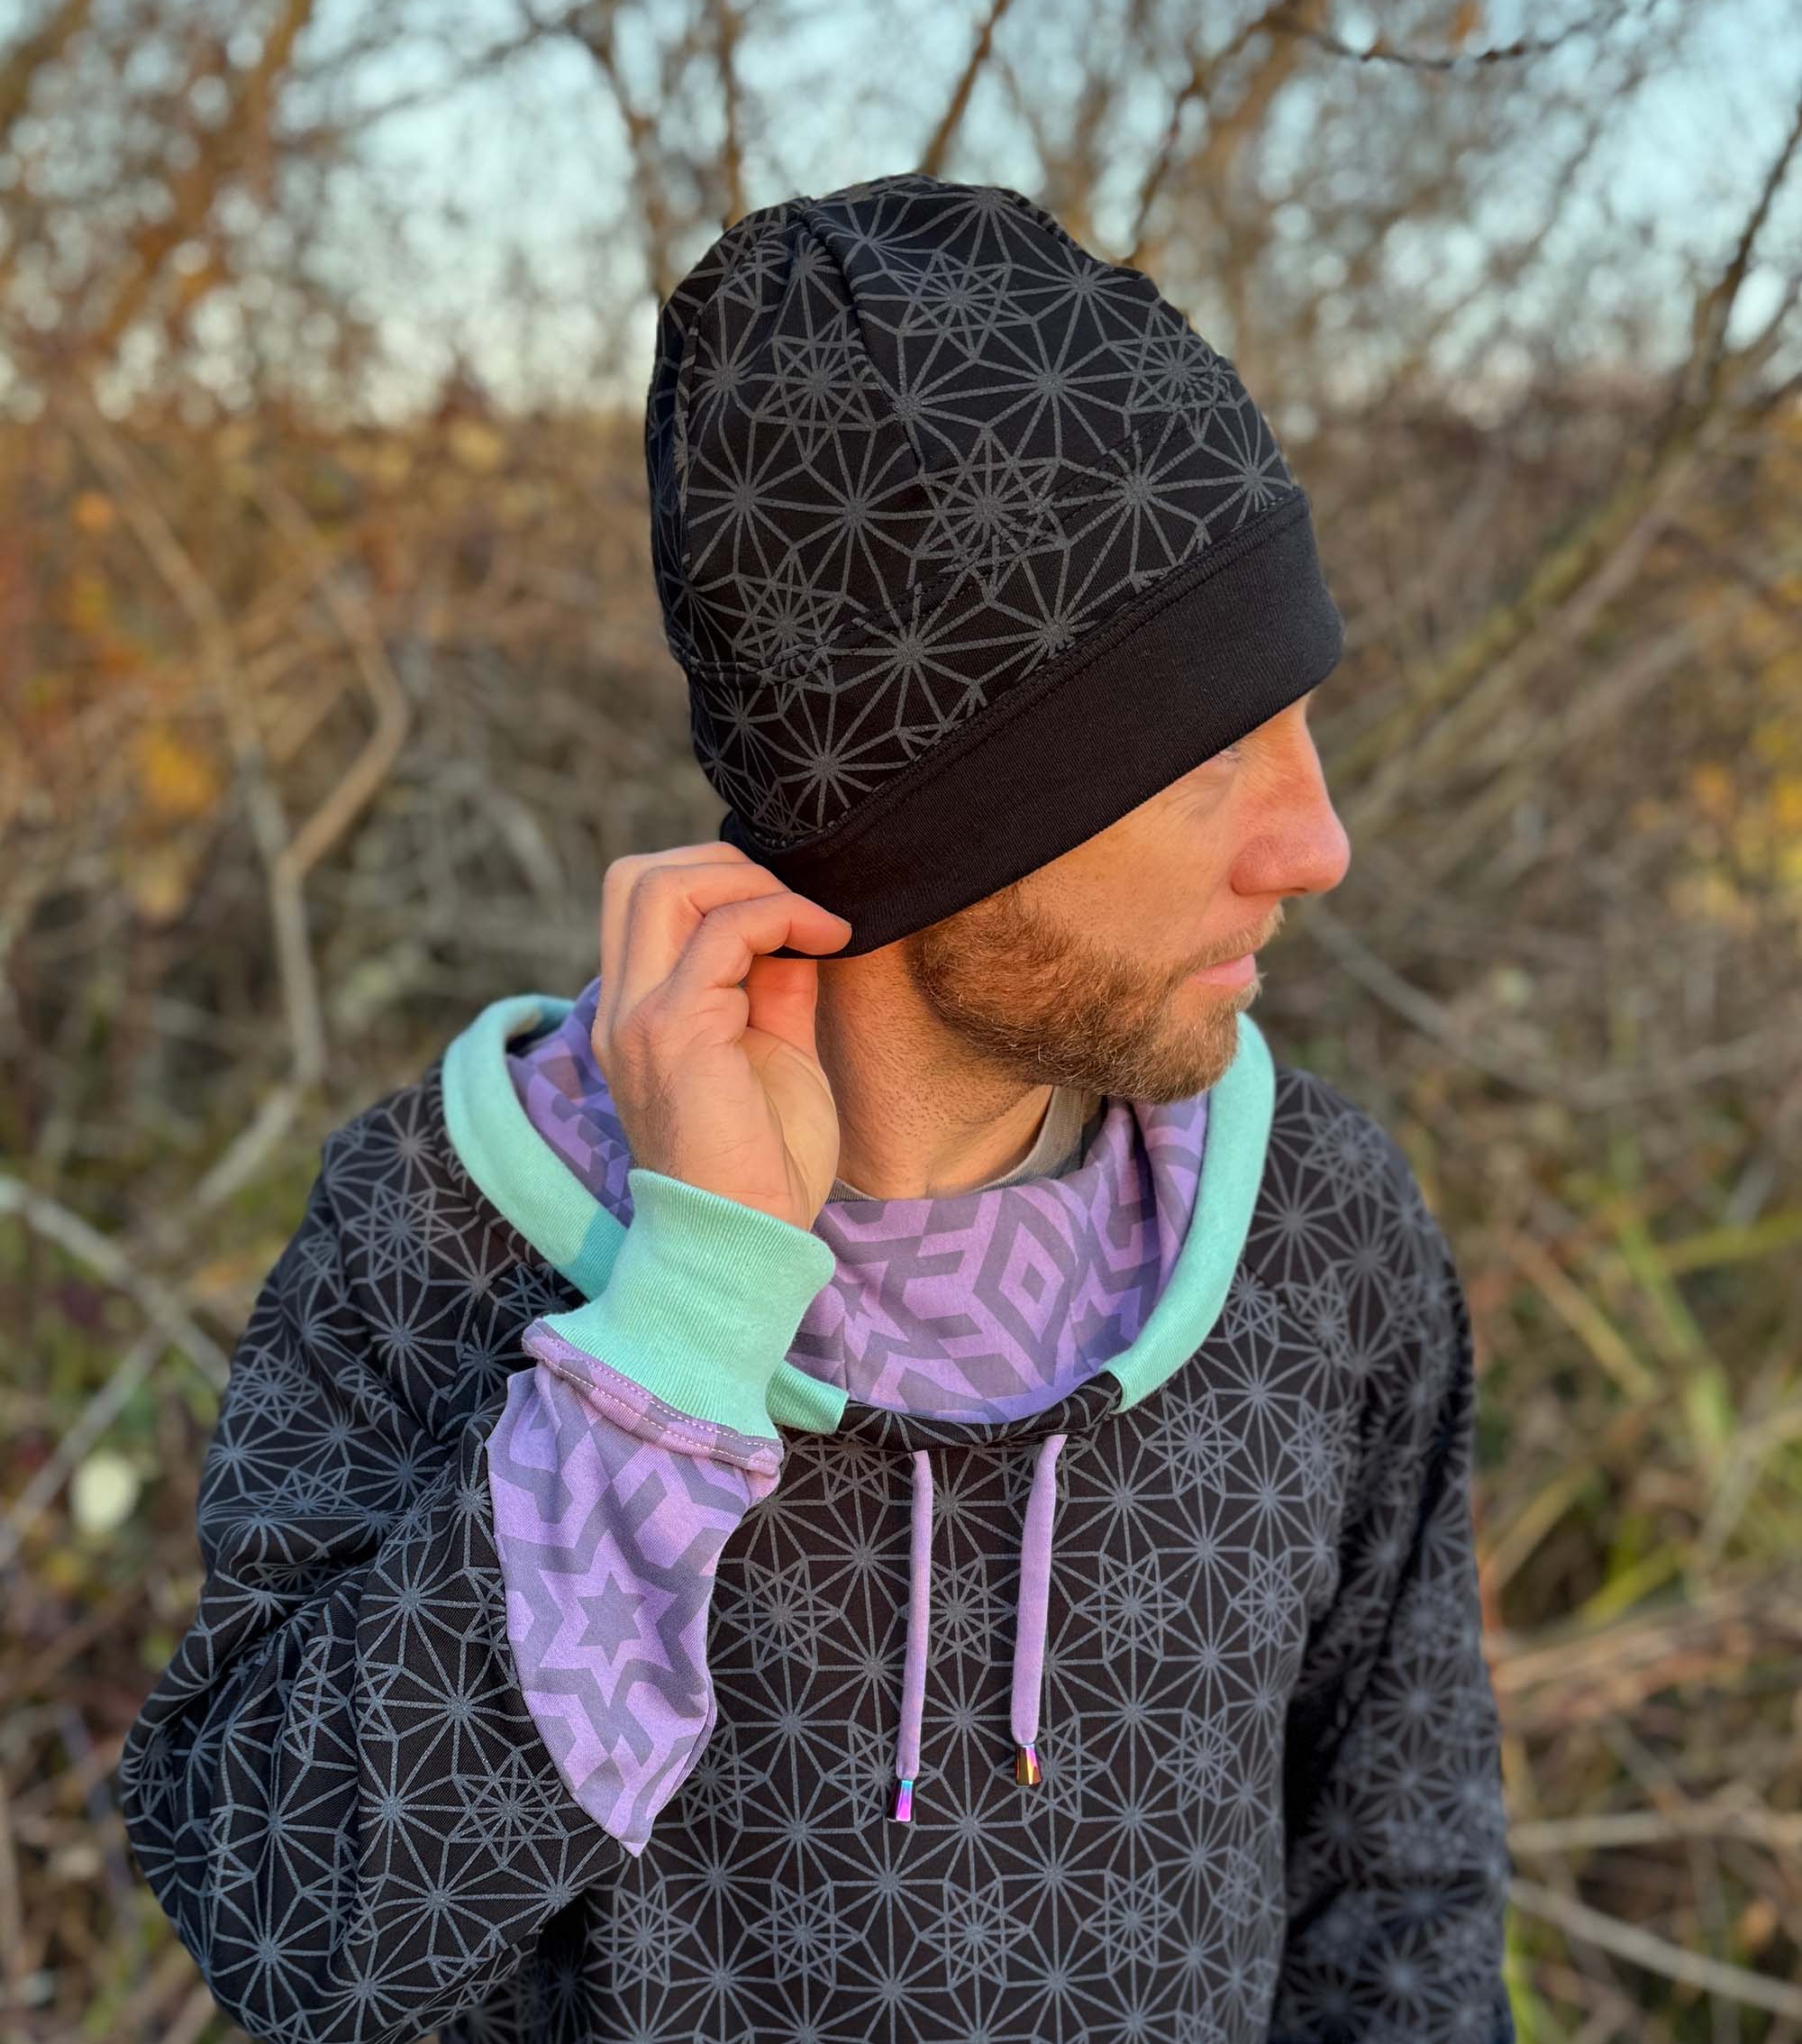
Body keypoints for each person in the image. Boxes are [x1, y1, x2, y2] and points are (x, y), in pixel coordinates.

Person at [116, 171, 1515, 2043]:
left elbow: (1399, 1905)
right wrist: (682, 1323)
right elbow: (290, 1931)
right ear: (941, 811)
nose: (1317, 839)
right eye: (1206, 750)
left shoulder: (1313, 1227)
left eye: (1302, 715)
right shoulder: (450, 1229)